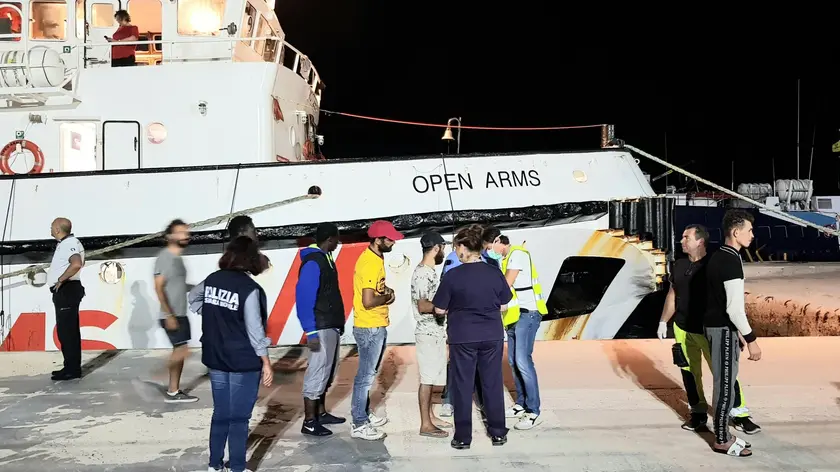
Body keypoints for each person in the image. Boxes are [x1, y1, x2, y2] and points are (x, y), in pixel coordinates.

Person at [658, 224, 761, 434]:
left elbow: (727, 300)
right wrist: (663, 321)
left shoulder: (713, 265)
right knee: (689, 373)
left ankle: (740, 414)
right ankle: (698, 413)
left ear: (700, 241)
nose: (681, 241)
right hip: (682, 328)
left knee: (723, 374)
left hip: (708, 330)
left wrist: (738, 331)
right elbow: (672, 294)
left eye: (686, 238)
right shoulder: (678, 265)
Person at [189, 237, 273, 472]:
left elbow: (193, 298)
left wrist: (213, 313)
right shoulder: (250, 289)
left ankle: (214, 466)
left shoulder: (213, 279)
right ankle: (237, 467)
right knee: (239, 418)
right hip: (243, 361)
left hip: (216, 357)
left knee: (221, 413)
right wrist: (266, 362)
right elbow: (255, 331)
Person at [432, 224, 511, 450]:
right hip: (491, 335)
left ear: (463, 247)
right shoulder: (494, 271)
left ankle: (463, 437)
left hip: (463, 337)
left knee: (463, 386)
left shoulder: (453, 275)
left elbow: (438, 309)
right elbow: (504, 303)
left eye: (457, 247)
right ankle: (498, 433)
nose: (457, 251)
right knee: (493, 383)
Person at [704, 210, 762, 457]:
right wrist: (751, 339)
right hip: (722, 329)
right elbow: (734, 309)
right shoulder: (731, 260)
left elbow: (716, 299)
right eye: (749, 230)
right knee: (725, 385)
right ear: (736, 232)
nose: (752, 234)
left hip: (716, 327)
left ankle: (723, 434)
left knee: (724, 382)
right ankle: (722, 439)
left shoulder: (719, 256)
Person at [350, 220, 402, 440]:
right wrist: (388, 296)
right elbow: (369, 301)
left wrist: (385, 291)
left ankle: (363, 415)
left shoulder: (375, 258)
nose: (393, 243)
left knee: (368, 374)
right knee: (365, 377)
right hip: (370, 326)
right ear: (378, 239)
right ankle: (359, 423)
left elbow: (374, 291)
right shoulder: (370, 263)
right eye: (389, 239)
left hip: (374, 324)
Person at [295, 222, 347, 436]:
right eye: (337, 238)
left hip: (330, 324)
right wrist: (311, 331)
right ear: (329, 239)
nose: (338, 242)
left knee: (328, 370)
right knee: (317, 371)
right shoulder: (313, 262)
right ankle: (309, 421)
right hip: (320, 326)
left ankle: (321, 412)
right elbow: (303, 298)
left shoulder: (326, 258)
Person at [497, 237, 548, 430]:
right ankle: (521, 403)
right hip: (513, 316)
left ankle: (533, 411)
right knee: (513, 361)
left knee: (522, 361)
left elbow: (506, 285)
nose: (489, 250)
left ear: (498, 241)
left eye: (489, 246)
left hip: (528, 314)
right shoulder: (504, 258)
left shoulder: (517, 254)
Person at [152, 219, 198, 403]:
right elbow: (158, 287)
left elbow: (177, 285)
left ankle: (173, 391)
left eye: (186, 232)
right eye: (180, 232)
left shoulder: (177, 259)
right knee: (182, 350)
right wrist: (169, 315)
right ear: (170, 236)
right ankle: (163, 379)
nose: (185, 235)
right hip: (171, 314)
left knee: (181, 349)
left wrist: (197, 288)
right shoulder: (165, 257)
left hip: (180, 313)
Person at [411, 231, 451, 438]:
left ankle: (431, 417)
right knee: (427, 379)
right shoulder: (423, 273)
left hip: (435, 332)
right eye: (443, 248)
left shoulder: (430, 271)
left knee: (433, 377)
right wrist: (443, 307)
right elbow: (423, 304)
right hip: (427, 333)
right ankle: (425, 424)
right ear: (436, 248)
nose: (444, 252)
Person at [46, 218, 85, 381]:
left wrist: (61, 279)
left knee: (67, 332)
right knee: (67, 330)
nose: (50, 229)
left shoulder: (70, 243)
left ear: (57, 229)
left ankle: (72, 370)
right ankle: (70, 366)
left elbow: (76, 263)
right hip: (68, 290)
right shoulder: (69, 243)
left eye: (51, 227)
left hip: (66, 290)